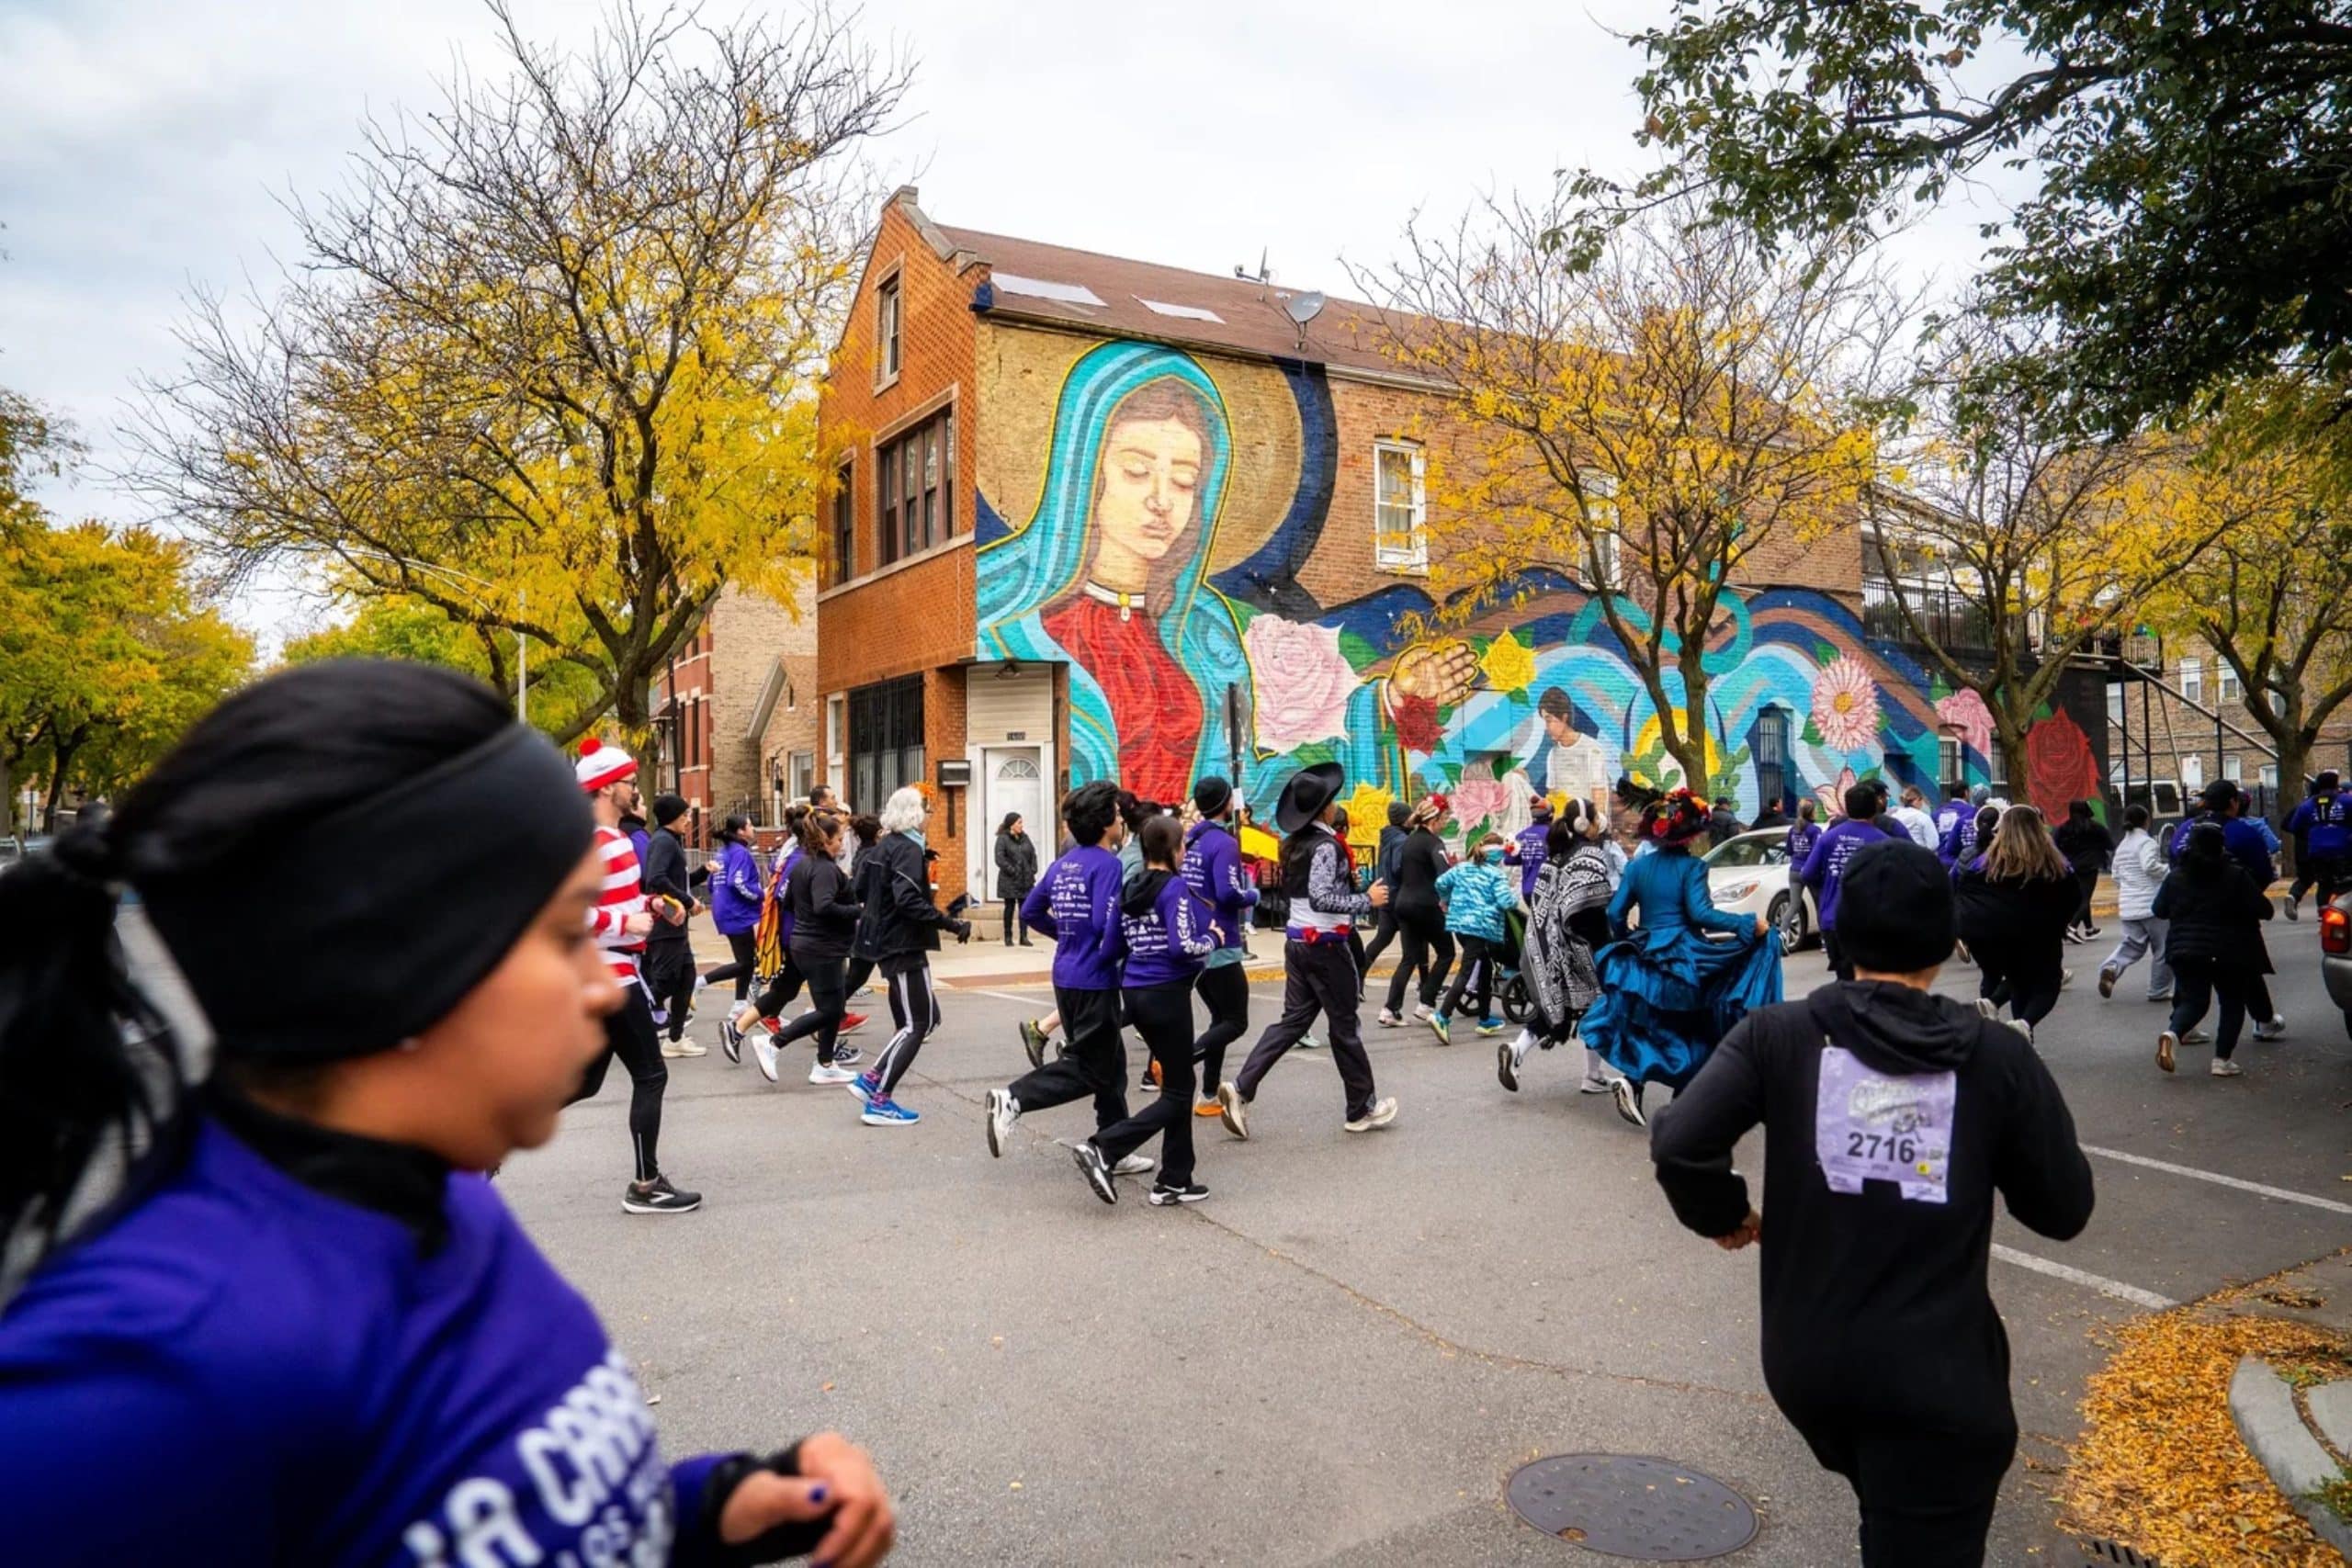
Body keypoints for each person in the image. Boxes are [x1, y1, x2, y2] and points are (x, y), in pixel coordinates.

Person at [0, 661, 895, 1565]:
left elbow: (509, 1518)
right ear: (402, 963)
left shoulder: (439, 1192)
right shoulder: (139, 1397)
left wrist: (715, 1509)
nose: (600, 986)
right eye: (566, 935)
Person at [1650, 840, 2094, 1568]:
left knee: (1889, 1511)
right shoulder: (1995, 1056)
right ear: (1946, 937)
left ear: (1843, 932)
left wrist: (1726, 1213)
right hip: (1938, 1380)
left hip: (1810, 1364)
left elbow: (1681, 1142)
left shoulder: (1777, 1035)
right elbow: (2063, 1207)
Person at [1578, 788, 1781, 1129]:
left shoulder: (1638, 866)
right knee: (1694, 1031)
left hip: (1646, 955)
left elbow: (1615, 913)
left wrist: (1631, 941)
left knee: (1656, 1025)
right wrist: (1748, 923)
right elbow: (1701, 914)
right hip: (1684, 957)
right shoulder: (1693, 867)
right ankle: (1669, 1101)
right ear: (1691, 831)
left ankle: (1636, 1083)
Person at [1216, 762, 1398, 1139]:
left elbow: (1309, 893)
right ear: (1325, 808)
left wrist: (1350, 885)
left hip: (1298, 942)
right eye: (1333, 801)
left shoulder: (1296, 844)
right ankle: (1360, 1108)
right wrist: (1366, 899)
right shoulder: (1327, 846)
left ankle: (1241, 1087)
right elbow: (1321, 896)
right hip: (1325, 946)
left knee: (1293, 1022)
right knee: (1344, 1026)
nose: (1336, 806)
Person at [987, 783, 1156, 1180]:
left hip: (1066, 972)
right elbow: (1103, 922)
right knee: (1090, 1069)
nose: (1121, 820)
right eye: (1116, 813)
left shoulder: (1064, 863)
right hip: (1095, 977)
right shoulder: (1108, 864)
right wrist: (1121, 951)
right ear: (1104, 823)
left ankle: (1114, 1146)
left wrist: (1065, 935)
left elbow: (1030, 909)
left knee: (1113, 1066)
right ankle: (1013, 1099)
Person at [571, 739, 700, 1213]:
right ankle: (647, 1185)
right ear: (606, 789)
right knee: (651, 1074)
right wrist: (627, 924)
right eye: (627, 782)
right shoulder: (594, 843)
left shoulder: (609, 840)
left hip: (607, 974)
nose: (634, 790)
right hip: (610, 975)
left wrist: (651, 906)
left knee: (584, 1082)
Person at [1072, 816, 1218, 1205]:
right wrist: (1212, 938)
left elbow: (1110, 949)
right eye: (1183, 846)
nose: (1185, 853)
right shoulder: (1174, 889)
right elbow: (1181, 945)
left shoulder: (1129, 888)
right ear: (1170, 851)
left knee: (1177, 1083)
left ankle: (1175, 1178)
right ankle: (1104, 1147)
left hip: (1135, 991)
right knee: (1177, 1091)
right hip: (1167, 993)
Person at [843, 787, 969, 1127]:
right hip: (902, 943)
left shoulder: (883, 847)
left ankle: (872, 1081)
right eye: (926, 810)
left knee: (926, 1018)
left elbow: (859, 890)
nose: (930, 816)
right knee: (917, 1024)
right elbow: (908, 901)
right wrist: (950, 923)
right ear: (915, 814)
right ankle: (879, 1097)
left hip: (888, 942)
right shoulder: (907, 850)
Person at [738, 812, 864, 1087]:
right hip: (822, 948)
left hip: (805, 943)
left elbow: (791, 904)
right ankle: (773, 1043)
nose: (842, 845)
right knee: (830, 1010)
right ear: (825, 840)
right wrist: (858, 910)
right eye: (839, 839)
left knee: (831, 1005)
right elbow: (824, 906)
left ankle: (825, 1064)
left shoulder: (801, 866)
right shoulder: (825, 870)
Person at [1500, 800, 1616, 1095]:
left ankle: (1517, 1049)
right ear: (1584, 824)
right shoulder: (1591, 857)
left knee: (1557, 1007)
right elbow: (1589, 911)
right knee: (1599, 1006)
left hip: (1553, 950)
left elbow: (1542, 906)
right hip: (1584, 948)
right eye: (1593, 819)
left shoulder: (1556, 857)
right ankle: (1593, 1075)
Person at [2154, 821, 2277, 1077]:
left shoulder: (2176, 876)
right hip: (2229, 950)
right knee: (2232, 1002)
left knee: (2194, 1001)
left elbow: (2158, 910)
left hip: (2184, 949)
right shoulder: (2235, 875)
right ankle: (2222, 1059)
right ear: (2221, 846)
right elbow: (2265, 910)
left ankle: (2173, 1034)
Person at [2167, 783, 2286, 1038]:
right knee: (2246, 971)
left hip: (2186, 914)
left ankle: (2181, 1026)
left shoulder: (2184, 830)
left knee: (2188, 971)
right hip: (2233, 916)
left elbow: (2172, 865)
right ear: (2233, 802)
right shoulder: (2242, 832)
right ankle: (2263, 1020)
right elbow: (2264, 872)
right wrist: (2245, 895)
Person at [1953, 807, 2078, 1042]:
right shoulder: (2052, 863)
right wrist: (2058, 924)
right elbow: (2072, 896)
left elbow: (1964, 890)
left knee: (2018, 978)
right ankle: (2024, 1023)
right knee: (2048, 983)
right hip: (2037, 934)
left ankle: (1994, 1004)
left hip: (1989, 937)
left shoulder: (1984, 861)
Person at [1182, 774, 1260, 1117]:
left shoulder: (1191, 840)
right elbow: (1229, 893)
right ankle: (1179, 1062)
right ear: (1227, 803)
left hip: (1196, 939)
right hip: (1221, 940)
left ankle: (1209, 1094)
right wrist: (1252, 895)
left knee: (1220, 1018)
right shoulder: (1223, 843)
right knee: (1236, 1021)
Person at [1798, 785, 1907, 983]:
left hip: (1833, 921)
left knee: (1845, 979)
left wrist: (1828, 890)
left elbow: (1808, 873)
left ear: (1847, 809)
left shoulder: (1828, 838)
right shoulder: (1884, 842)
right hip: (1869, 923)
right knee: (1870, 982)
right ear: (1874, 808)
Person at [1430, 832, 1521, 1044]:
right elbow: (1506, 902)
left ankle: (1485, 1018)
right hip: (1480, 927)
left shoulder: (1462, 868)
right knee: (1467, 971)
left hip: (1460, 925)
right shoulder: (1495, 875)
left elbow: (1440, 883)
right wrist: (1514, 898)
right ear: (1497, 855)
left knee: (1486, 966)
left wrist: (1446, 900)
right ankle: (1442, 1016)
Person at [1376, 794, 1455, 1027]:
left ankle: (1389, 1009)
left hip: (1403, 903)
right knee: (1446, 952)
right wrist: (1447, 900)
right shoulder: (1434, 844)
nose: (1446, 822)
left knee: (1409, 958)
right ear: (1435, 819)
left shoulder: (1409, 840)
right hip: (1426, 905)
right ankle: (1426, 1003)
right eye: (1445, 818)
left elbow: (1400, 869)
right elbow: (1445, 876)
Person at [640, 792, 707, 1055]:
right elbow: (655, 878)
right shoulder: (664, 842)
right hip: (665, 924)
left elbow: (676, 879)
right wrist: (687, 901)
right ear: (672, 818)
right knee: (665, 981)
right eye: (685, 816)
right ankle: (625, 1021)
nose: (688, 821)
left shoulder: (670, 841)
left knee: (686, 978)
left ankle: (675, 1039)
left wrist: (701, 876)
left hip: (675, 924)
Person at [2098, 804, 2173, 1003]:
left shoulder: (2122, 846)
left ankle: (2111, 967)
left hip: (2129, 907)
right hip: (2152, 904)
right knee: (2164, 948)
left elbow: (2116, 876)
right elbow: (2150, 866)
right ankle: (2158, 990)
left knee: (2131, 945)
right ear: (2146, 820)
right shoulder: (2147, 843)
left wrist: (2129, 891)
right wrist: (2169, 872)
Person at [701, 814, 766, 1006]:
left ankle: (739, 1004)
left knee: (745, 959)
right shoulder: (740, 853)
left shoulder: (723, 852)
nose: (753, 829)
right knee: (746, 962)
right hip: (738, 913)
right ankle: (700, 982)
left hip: (724, 910)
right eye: (750, 826)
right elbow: (737, 882)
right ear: (740, 831)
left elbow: (713, 883)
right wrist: (762, 894)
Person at [1359, 798, 1412, 984]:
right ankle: (1425, 985)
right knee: (1414, 947)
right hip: (1399, 896)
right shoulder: (1402, 840)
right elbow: (1399, 867)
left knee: (1382, 938)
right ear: (1405, 819)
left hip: (1385, 895)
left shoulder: (1387, 838)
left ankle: (1359, 975)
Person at [2285, 770, 2350, 919]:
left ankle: (2323, 909)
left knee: (2324, 881)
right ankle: (2342, 910)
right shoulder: (2346, 801)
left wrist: (2312, 834)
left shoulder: (2307, 805)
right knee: (2346, 880)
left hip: (2317, 851)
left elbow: (2294, 826)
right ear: (2336, 784)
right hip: (2343, 849)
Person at [2052, 799, 2113, 942]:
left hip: (2070, 867)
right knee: (2085, 898)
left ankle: (2089, 929)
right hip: (2090, 866)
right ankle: (2072, 927)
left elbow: (2055, 845)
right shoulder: (2096, 828)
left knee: (2081, 896)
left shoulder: (2063, 828)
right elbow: (2110, 844)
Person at [993, 811, 1039, 946]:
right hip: (1009, 880)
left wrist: (1033, 870)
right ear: (1011, 824)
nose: (1021, 825)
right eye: (1019, 822)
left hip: (1026, 879)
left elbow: (1033, 854)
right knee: (1009, 908)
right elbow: (999, 858)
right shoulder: (1002, 839)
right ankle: (1008, 936)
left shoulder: (1025, 837)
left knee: (1024, 908)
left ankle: (1023, 936)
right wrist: (1013, 871)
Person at [1514, 796, 1555, 900]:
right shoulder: (1555, 835)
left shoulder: (1521, 836)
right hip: (1549, 890)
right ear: (1551, 815)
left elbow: (1510, 859)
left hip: (1528, 890)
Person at [1890, 785, 1938, 850]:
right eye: (1921, 800)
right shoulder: (1923, 817)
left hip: (1898, 855)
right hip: (1919, 855)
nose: (1922, 803)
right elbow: (1934, 844)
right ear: (1918, 799)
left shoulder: (1894, 816)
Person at [1784, 797, 1823, 866]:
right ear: (1812, 813)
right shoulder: (1815, 830)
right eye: (1815, 810)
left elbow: (1789, 851)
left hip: (1794, 869)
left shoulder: (1793, 829)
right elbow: (1817, 852)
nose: (1817, 812)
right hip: (1808, 869)